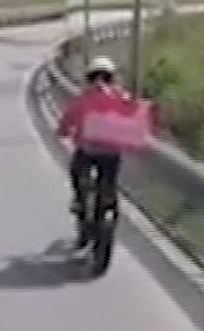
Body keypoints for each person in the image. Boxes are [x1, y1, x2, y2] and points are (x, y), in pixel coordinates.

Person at [56, 55, 154, 247]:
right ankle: (109, 204)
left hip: (87, 150)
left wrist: (63, 132)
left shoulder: (84, 99)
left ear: (90, 77)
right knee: (108, 185)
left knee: (78, 174)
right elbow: (135, 117)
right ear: (112, 77)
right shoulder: (122, 97)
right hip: (111, 153)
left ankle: (81, 202)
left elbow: (68, 121)